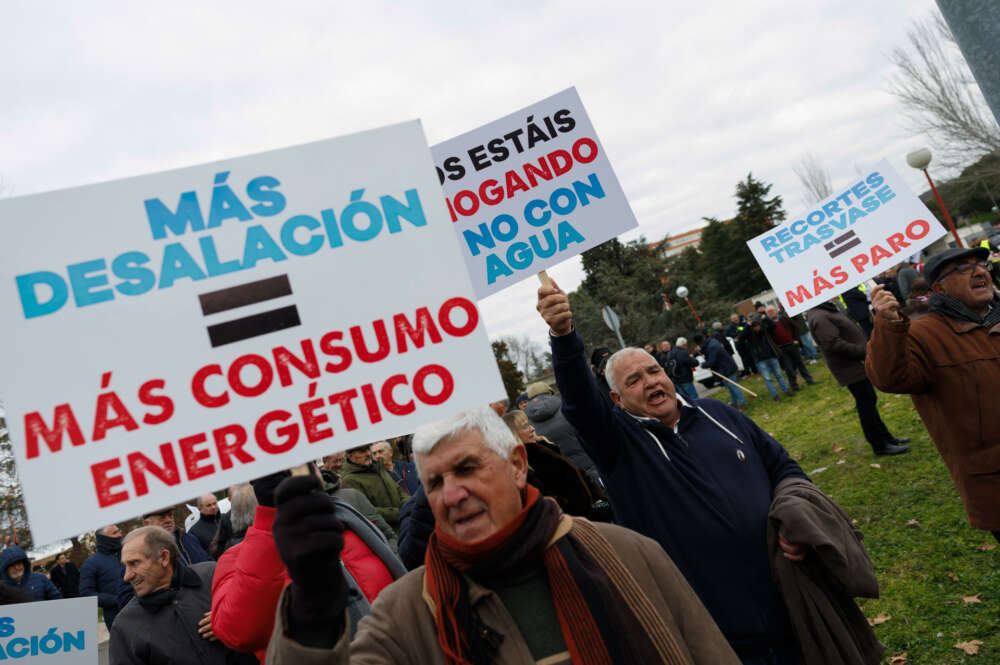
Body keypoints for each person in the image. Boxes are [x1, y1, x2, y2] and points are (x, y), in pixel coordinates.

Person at [265, 408, 740, 664]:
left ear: (516, 465)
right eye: (434, 483)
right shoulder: (405, 615)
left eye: (467, 468)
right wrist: (311, 603)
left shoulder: (630, 554)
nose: (452, 495)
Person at [537, 279, 809, 663]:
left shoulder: (719, 415)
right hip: (714, 632)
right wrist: (564, 337)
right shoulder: (620, 445)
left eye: (652, 371)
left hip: (791, 599)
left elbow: (782, 466)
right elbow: (581, 402)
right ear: (616, 399)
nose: (650, 382)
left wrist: (797, 520)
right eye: (633, 381)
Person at [867, 247, 1000, 542]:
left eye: (981, 264)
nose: (980, 271)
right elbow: (890, 377)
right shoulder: (922, 334)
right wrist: (888, 324)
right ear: (939, 287)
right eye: (964, 269)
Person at [212, 468, 405, 662]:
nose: (303, 474)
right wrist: (271, 517)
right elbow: (241, 634)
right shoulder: (237, 559)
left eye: (308, 465)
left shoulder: (353, 524)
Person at [110, 526, 232, 665]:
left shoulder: (213, 576)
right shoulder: (125, 625)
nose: (127, 576)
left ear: (164, 558)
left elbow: (258, 615)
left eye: (134, 563)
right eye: (125, 566)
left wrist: (232, 620)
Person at [807, 301, 910, 456]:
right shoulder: (820, 316)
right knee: (866, 405)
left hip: (856, 365)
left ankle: (886, 438)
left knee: (869, 401)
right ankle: (879, 445)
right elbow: (833, 344)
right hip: (850, 367)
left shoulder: (826, 311)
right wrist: (863, 351)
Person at [502, 409, 604, 517]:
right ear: (513, 434)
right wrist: (576, 512)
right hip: (574, 521)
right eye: (525, 426)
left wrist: (599, 499)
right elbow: (546, 500)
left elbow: (577, 473)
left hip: (592, 510)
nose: (532, 428)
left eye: (530, 424)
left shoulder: (545, 445)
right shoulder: (524, 464)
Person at [522, 381, 600, 482]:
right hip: (590, 465)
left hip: (562, 477)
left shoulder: (526, 422)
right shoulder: (569, 405)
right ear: (549, 393)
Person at [340, 444, 409, 528]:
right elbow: (366, 511)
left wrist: (408, 505)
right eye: (362, 451)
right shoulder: (349, 480)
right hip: (389, 530)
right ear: (351, 456)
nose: (368, 453)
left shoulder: (378, 467)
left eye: (368, 449)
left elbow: (397, 489)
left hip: (405, 521)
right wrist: (399, 513)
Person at [740, 315, 794, 401]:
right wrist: (747, 326)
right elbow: (741, 338)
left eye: (758, 326)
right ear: (752, 327)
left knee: (779, 375)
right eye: (755, 327)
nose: (758, 328)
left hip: (771, 356)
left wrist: (766, 318)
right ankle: (775, 395)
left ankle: (786, 390)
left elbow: (773, 326)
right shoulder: (749, 335)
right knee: (768, 379)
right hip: (760, 360)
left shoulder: (764, 331)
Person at [80, 525, 124, 629]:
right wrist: (117, 600)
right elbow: (87, 593)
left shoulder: (129, 553)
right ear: (104, 538)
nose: (120, 535)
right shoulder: (90, 564)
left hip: (143, 608)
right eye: (115, 533)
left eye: (119, 531)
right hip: (116, 616)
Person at [764, 305, 816, 391]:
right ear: (767, 314)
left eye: (772, 310)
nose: (771, 313)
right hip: (781, 349)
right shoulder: (767, 325)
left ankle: (809, 380)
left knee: (800, 364)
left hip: (791, 344)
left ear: (776, 311)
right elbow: (768, 338)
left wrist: (796, 339)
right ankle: (795, 387)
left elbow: (795, 327)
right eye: (769, 312)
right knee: (789, 368)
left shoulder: (784, 318)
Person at [693, 333, 746, 410]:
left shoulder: (712, 346)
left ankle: (742, 404)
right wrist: (695, 354)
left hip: (726, 368)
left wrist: (703, 365)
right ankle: (734, 403)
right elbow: (703, 350)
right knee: (730, 387)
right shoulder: (710, 342)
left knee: (734, 387)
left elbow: (711, 361)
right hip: (723, 368)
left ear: (700, 343)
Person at [189, 494, 232, 559]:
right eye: (209, 505)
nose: (213, 507)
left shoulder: (227, 518)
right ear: (199, 509)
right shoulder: (194, 532)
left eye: (214, 503)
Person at [665, 337, 700, 402]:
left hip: (676, 380)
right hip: (685, 379)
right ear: (683, 345)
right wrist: (694, 359)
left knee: (685, 399)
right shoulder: (682, 353)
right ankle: (699, 409)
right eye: (685, 345)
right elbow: (693, 363)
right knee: (694, 397)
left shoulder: (670, 353)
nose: (686, 347)